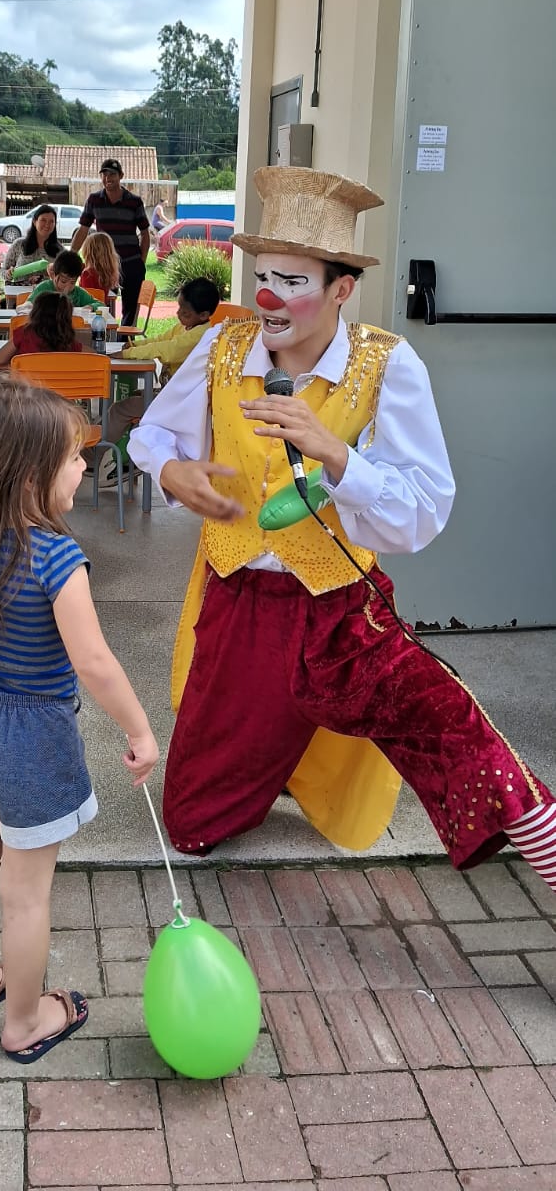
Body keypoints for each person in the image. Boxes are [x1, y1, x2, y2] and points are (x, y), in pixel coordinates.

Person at [128, 166, 556, 901]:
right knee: (191, 825)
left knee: (455, 728)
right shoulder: (224, 349)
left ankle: (543, 841)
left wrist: (338, 457)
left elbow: (422, 507)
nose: (268, 297)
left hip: (339, 611)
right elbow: (151, 437)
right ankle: (274, 761)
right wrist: (173, 475)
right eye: (263, 275)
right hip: (241, 607)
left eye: (293, 281)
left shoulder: (387, 363)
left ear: (340, 289)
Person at [0, 377, 159, 1062]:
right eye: (73, 458)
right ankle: (25, 1022)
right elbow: (94, 662)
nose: (84, 466)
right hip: (33, 740)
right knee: (25, 895)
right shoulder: (56, 557)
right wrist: (141, 731)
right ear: (31, 476)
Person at [101, 277, 220, 485]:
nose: (178, 315)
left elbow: (167, 350)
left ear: (204, 315)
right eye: (179, 309)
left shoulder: (200, 336)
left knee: (120, 410)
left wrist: (128, 355)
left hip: (180, 408)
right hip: (172, 398)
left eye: (185, 313)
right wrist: (132, 347)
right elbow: (160, 339)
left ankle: (93, 458)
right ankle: (129, 460)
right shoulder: (188, 327)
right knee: (134, 400)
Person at [71, 160, 150, 329]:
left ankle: (123, 342)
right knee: (100, 304)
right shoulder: (93, 200)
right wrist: (71, 254)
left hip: (131, 262)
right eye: (104, 174)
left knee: (130, 308)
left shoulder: (134, 201)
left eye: (112, 174)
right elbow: (83, 229)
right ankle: (104, 337)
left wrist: (141, 262)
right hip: (103, 264)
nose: (108, 178)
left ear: (121, 176)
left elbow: (145, 233)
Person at [0, 292, 83, 368]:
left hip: (27, 387)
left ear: (35, 312)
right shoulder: (68, 342)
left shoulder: (24, 333)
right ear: (67, 318)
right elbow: (94, 356)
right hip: (60, 388)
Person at [27, 249, 105, 312]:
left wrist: (91, 307)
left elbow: (101, 305)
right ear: (54, 275)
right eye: (63, 281)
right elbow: (28, 304)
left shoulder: (78, 293)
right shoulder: (43, 288)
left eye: (72, 282)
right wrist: (28, 306)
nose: (67, 287)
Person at [2, 205, 62, 283]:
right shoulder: (19, 244)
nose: (47, 224)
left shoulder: (60, 250)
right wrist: (8, 273)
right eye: (43, 220)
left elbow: (63, 279)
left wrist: (42, 279)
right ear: (34, 221)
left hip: (46, 294)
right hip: (20, 293)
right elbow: (3, 271)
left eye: (51, 221)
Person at [79, 231, 121, 314]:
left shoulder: (88, 274)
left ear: (88, 251)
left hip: (90, 313)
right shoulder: (107, 272)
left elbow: (86, 300)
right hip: (102, 311)